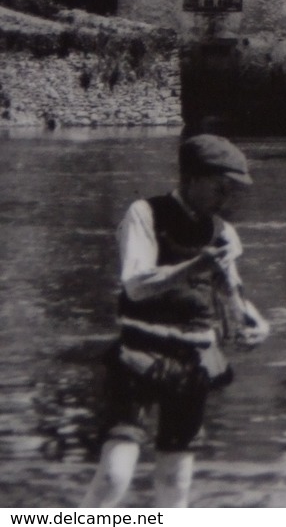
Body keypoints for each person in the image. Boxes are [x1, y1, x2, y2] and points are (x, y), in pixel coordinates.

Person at [82, 135, 270, 508]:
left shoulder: (224, 233)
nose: (226, 199)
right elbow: (136, 285)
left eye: (231, 190)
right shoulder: (144, 214)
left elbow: (233, 295)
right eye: (220, 188)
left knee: (175, 481)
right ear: (192, 178)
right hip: (138, 353)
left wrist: (255, 323)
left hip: (194, 363)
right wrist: (195, 266)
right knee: (114, 476)